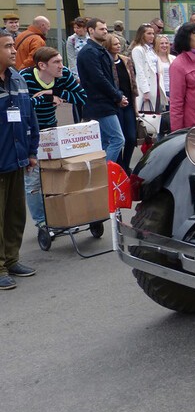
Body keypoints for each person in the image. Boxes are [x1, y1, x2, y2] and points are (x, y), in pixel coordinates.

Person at [20, 46, 87, 230]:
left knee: (55, 174)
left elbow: (83, 97)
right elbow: (22, 105)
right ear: (42, 65)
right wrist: (46, 99)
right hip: (29, 133)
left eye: (61, 61)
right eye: (56, 62)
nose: (61, 66)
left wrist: (54, 93)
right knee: (33, 179)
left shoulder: (64, 74)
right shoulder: (25, 77)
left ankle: (58, 217)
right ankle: (42, 221)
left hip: (51, 129)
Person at [0, 27, 38, 289]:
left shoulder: (17, 78)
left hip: (16, 158)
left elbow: (29, 117)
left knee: (15, 214)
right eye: (7, 47)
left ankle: (12, 259)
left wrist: (31, 151)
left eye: (13, 45)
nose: (14, 50)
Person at [76, 17, 128, 163]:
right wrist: (117, 96)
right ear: (91, 31)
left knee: (105, 142)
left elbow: (109, 78)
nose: (105, 31)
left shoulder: (99, 50)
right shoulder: (89, 52)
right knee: (117, 139)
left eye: (106, 29)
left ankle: (102, 177)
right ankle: (104, 174)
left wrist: (117, 96)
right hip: (99, 103)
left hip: (105, 102)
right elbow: (98, 79)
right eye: (101, 29)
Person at [106, 34, 139, 175]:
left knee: (131, 137)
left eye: (119, 43)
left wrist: (135, 102)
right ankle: (119, 166)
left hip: (129, 103)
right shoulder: (106, 62)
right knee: (119, 138)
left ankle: (126, 164)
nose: (118, 46)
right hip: (116, 104)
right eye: (115, 44)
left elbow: (132, 82)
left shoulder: (126, 60)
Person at [130, 22, 164, 113]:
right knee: (147, 115)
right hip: (147, 85)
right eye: (149, 33)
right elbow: (140, 71)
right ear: (142, 35)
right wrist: (145, 91)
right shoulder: (138, 49)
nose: (152, 36)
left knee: (156, 112)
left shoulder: (151, 49)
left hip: (156, 83)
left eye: (153, 33)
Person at [154, 34, 175, 101]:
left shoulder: (173, 58)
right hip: (160, 91)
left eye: (166, 43)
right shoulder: (154, 59)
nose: (164, 45)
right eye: (161, 43)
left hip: (172, 91)